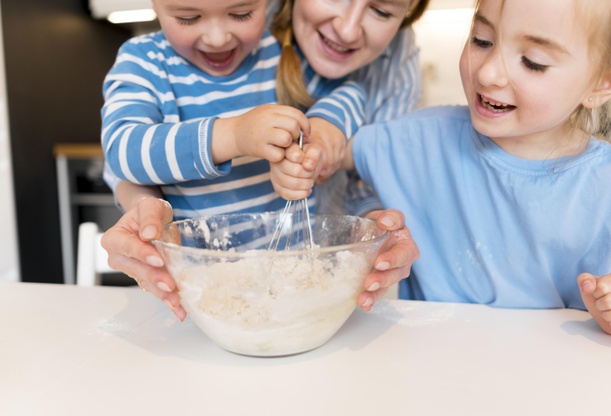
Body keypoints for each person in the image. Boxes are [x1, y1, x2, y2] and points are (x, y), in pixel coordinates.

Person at [276, 0, 611, 336]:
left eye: (533, 62)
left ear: (603, 84)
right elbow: (331, 153)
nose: (488, 73)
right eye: (482, 41)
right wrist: (310, 152)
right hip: (429, 372)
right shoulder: (420, 137)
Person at [100, 0, 429, 321]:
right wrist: (234, 136)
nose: (218, 38)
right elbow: (122, 148)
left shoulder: (281, 55)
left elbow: (349, 93)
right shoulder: (143, 61)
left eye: (242, 14)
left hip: (294, 290)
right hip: (198, 294)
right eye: (188, 18)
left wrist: (326, 128)